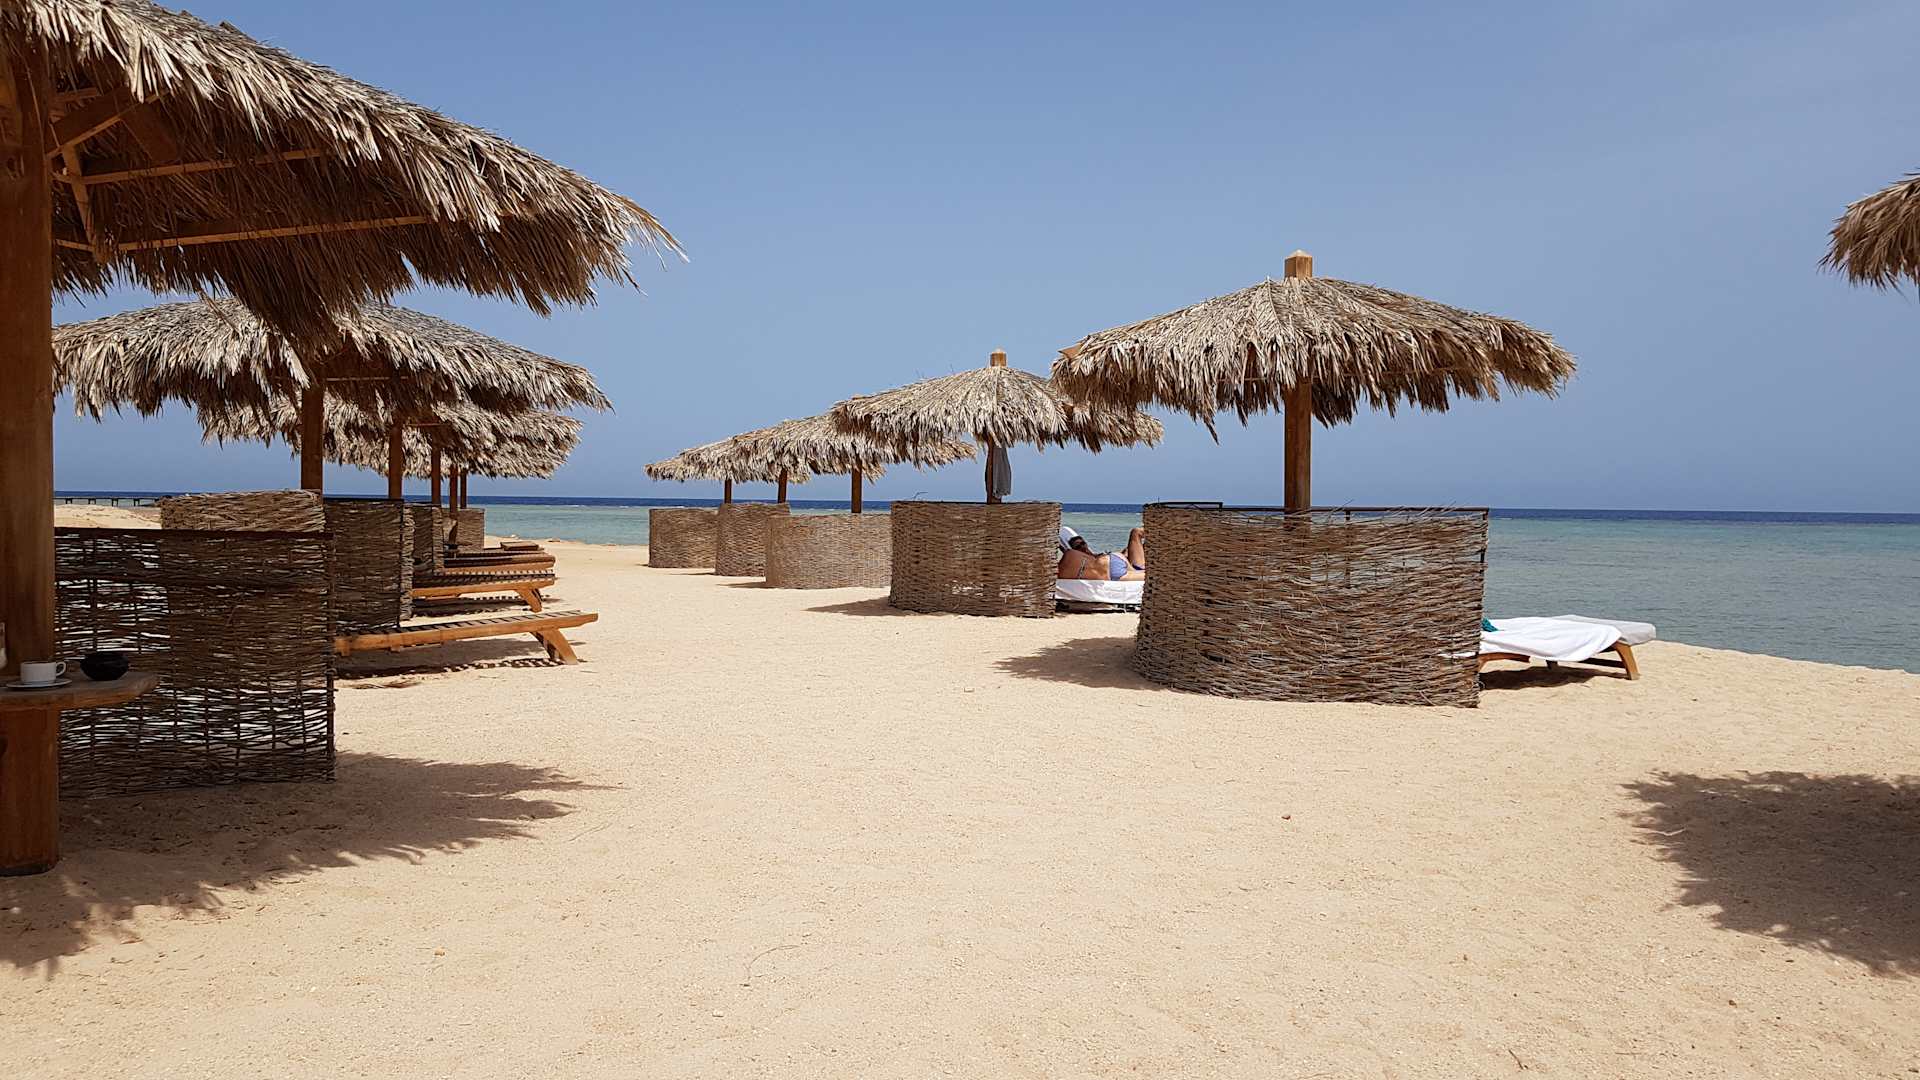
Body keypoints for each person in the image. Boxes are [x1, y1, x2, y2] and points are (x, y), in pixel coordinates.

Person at [1057, 525, 1145, 582]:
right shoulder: (1070, 559)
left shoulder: (1091, 556)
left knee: (1136, 531)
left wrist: (1122, 554)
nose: (1082, 546)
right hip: (1113, 572)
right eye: (1078, 546)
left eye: (1083, 543)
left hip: (1119, 562)